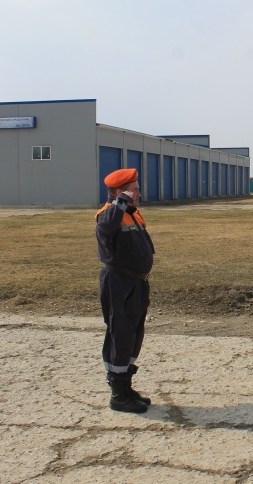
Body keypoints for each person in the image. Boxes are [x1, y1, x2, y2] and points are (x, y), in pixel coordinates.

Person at [95, 168, 156, 413]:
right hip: (118, 282)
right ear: (122, 192)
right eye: (136, 189)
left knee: (133, 333)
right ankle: (118, 396)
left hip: (136, 283)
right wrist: (120, 202)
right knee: (120, 334)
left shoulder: (130, 214)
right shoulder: (108, 214)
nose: (139, 193)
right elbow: (107, 225)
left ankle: (126, 386)